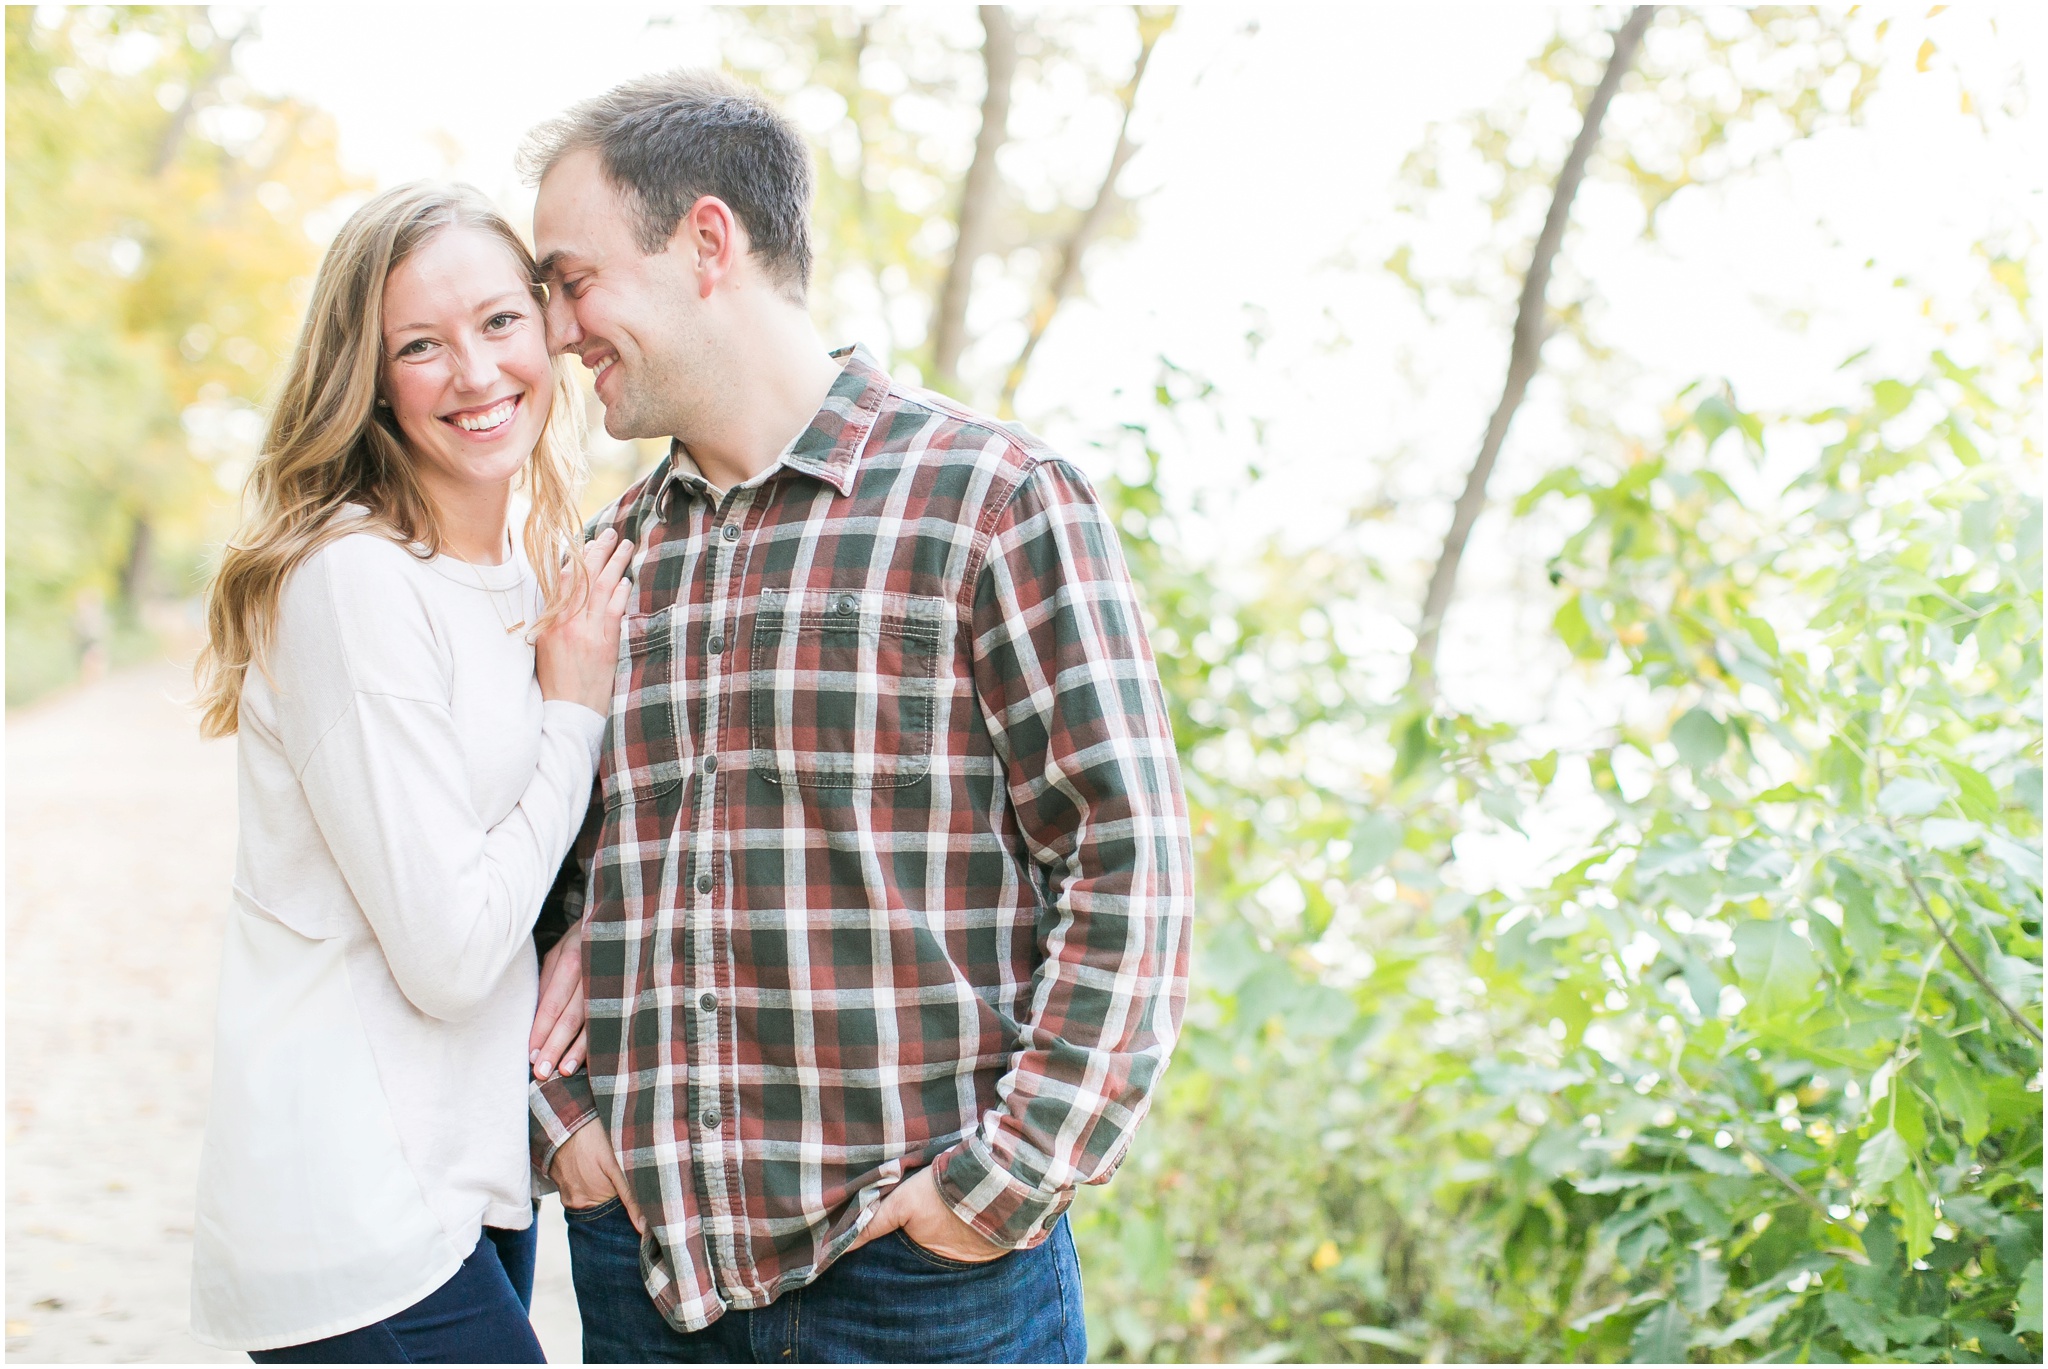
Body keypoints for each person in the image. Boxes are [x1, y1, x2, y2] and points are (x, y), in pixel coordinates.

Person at [516, 70, 1195, 1363]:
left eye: (573, 278)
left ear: (706, 243)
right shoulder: (604, 563)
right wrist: (567, 1127)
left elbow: (1127, 862)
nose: (554, 329)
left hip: (924, 1285)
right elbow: (525, 873)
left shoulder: (989, 502)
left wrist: (997, 1189)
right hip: (650, 1275)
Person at [187, 181, 633, 1362]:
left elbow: (524, 856)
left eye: (498, 322)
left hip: (467, 1169)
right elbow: (445, 955)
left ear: (549, 327)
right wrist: (571, 711)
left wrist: (589, 926)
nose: (477, 374)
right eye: (421, 346)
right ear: (373, 380)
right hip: (354, 1198)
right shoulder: (354, 582)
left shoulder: (533, 575)